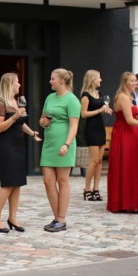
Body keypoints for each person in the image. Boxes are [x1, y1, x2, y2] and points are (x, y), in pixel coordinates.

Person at [0, 73, 41, 234]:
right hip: (7, 146)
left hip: (18, 145)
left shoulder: (16, 102)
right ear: (10, 84)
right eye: (17, 82)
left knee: (17, 183)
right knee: (7, 183)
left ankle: (13, 217)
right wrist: (15, 117)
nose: (19, 84)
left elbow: (20, 124)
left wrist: (32, 133)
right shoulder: (0, 103)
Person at [38, 69, 80, 232]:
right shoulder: (50, 98)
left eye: (52, 78)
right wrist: (42, 122)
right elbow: (42, 119)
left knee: (62, 181)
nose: (50, 81)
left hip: (64, 144)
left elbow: (74, 125)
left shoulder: (72, 100)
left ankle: (61, 218)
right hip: (49, 144)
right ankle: (57, 218)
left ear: (61, 81)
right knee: (48, 181)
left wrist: (67, 144)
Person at [106, 72, 138, 213]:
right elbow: (129, 120)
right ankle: (126, 202)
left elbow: (131, 118)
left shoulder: (127, 97)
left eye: (135, 81)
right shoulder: (124, 97)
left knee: (130, 165)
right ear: (125, 82)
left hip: (129, 132)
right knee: (126, 165)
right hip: (125, 134)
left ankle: (126, 201)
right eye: (132, 81)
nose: (134, 83)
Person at [79, 69, 111, 202]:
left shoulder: (99, 94)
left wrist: (106, 110)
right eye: (99, 78)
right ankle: (86, 189)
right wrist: (99, 110)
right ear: (92, 79)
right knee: (94, 160)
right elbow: (83, 114)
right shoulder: (85, 95)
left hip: (100, 127)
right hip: (91, 129)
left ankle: (96, 189)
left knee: (99, 161)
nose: (101, 80)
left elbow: (101, 109)